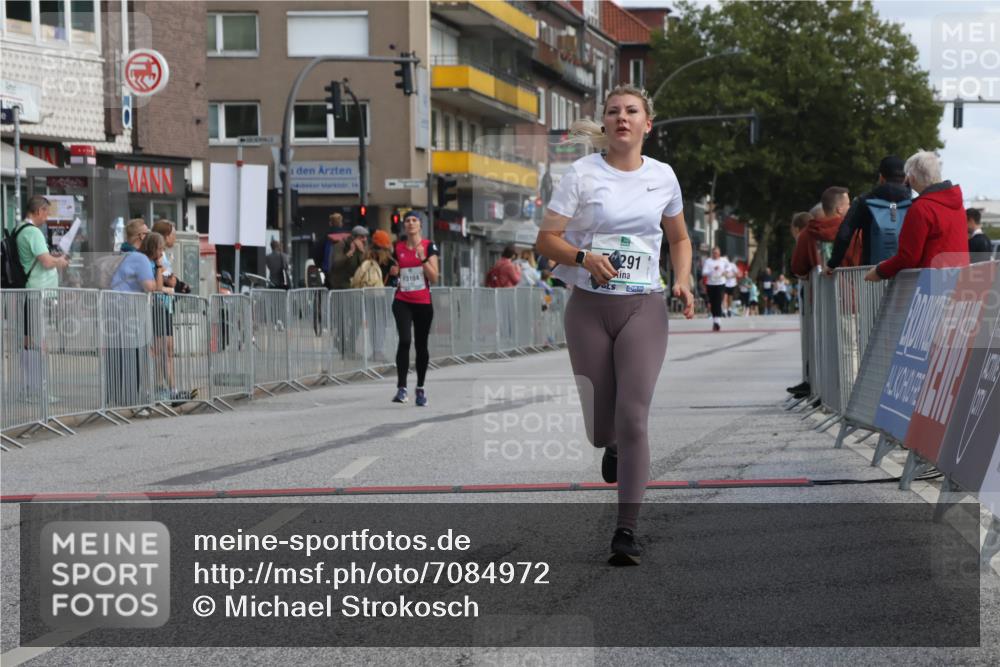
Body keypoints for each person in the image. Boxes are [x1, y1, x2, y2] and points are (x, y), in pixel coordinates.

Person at [535, 84, 695, 566]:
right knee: (600, 428)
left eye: (631, 111)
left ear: (648, 124)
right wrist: (584, 256)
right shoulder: (582, 174)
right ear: (604, 124)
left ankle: (626, 530)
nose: (621, 117)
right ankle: (611, 447)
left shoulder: (663, 177)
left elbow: (680, 237)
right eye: (613, 112)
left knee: (634, 418)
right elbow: (546, 240)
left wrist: (682, 280)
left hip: (643, 305)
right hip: (589, 307)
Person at [865, 151, 970, 282]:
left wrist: (880, 271)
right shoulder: (958, 205)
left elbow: (908, 257)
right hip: (957, 282)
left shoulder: (921, 208)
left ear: (912, 178)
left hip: (930, 289)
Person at [14, 196, 69, 402]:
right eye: (46, 212)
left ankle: (30, 388)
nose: (47, 217)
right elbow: (46, 262)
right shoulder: (34, 233)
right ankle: (38, 390)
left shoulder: (20, 230)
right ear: (38, 211)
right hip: (37, 292)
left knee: (30, 341)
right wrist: (60, 261)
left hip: (30, 292)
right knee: (38, 342)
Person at [387, 211, 439, 406]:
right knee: (405, 340)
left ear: (420, 225)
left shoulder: (428, 246)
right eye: (407, 221)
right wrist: (393, 272)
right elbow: (393, 273)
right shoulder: (397, 247)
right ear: (404, 225)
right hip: (402, 300)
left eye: (414, 220)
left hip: (423, 303)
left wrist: (423, 259)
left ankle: (420, 388)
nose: (410, 223)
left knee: (421, 345)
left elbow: (434, 277)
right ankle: (401, 388)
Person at [828, 156, 911, 272]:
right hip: (906, 273)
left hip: (871, 272)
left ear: (881, 177)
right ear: (905, 179)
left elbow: (844, 235)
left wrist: (833, 264)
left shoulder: (864, 201)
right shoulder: (914, 204)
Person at [792, 186, 855, 278]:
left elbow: (798, 268)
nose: (850, 207)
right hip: (848, 289)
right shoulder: (852, 230)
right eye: (848, 204)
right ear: (839, 209)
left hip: (819, 290)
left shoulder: (806, 234)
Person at [702, 247, 728, 331]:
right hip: (711, 284)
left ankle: (718, 321)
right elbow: (704, 272)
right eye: (714, 253)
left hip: (720, 283)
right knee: (712, 303)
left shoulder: (723, 260)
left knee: (718, 301)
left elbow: (729, 268)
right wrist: (712, 270)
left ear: (719, 253)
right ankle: (714, 321)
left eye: (717, 253)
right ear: (712, 253)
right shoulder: (708, 261)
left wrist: (725, 272)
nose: (715, 254)